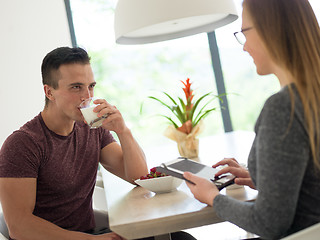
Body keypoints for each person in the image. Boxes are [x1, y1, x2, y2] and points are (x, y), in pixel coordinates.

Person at [183, 0, 320, 239]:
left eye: (244, 32)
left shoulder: (283, 108)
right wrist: (261, 178)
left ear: (272, 29)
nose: (244, 47)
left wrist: (212, 197)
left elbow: (269, 223)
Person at [0, 47, 148, 240]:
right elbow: (20, 227)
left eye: (91, 86)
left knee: (178, 237)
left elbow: (140, 177)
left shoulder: (92, 128)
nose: (87, 96)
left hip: (88, 233)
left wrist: (123, 131)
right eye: (76, 87)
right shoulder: (23, 144)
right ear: (49, 92)